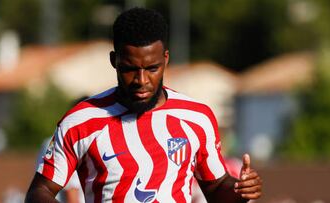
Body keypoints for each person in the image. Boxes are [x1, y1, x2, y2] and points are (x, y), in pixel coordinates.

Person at [25, 7, 262, 203]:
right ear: (114, 61)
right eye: (130, 69)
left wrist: (240, 190)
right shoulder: (81, 120)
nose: (141, 80)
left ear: (165, 60)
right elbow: (40, 191)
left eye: (151, 68)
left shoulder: (196, 117)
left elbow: (216, 186)